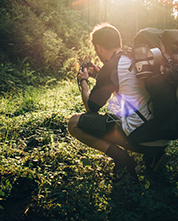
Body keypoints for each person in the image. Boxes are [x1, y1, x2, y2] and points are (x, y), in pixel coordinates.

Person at [68, 23, 169, 182]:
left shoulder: (111, 67)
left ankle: (122, 159)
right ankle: (155, 157)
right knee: (125, 112)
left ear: (99, 48)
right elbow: (123, 81)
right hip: (164, 135)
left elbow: (90, 107)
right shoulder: (134, 58)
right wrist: (100, 74)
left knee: (74, 123)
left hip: (141, 138)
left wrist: (84, 81)